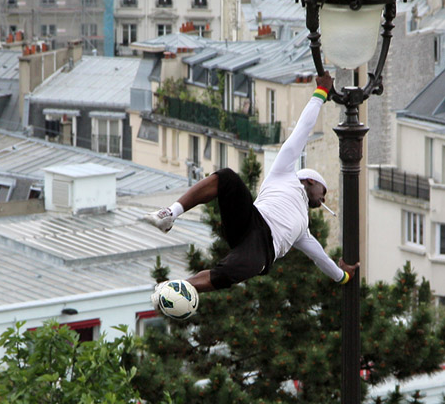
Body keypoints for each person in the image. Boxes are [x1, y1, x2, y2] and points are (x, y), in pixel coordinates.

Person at [143, 71, 358, 300]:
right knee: (227, 178)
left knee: (227, 274)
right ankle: (170, 214)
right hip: (250, 219)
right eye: (322, 193)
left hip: (263, 249)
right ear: (311, 181)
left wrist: (342, 276)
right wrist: (320, 93)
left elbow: (321, 259)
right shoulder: (284, 173)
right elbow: (302, 130)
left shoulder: (303, 228)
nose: (323, 200)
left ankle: (172, 290)